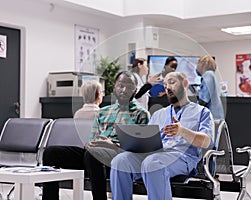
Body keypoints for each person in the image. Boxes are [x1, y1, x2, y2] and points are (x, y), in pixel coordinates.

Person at [42, 71, 150, 200]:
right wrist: (92, 143)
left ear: (135, 90)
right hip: (95, 155)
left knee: (93, 154)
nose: (124, 90)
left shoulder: (141, 114)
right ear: (114, 88)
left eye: (129, 86)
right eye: (121, 85)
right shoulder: (103, 112)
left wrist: (113, 145)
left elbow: (140, 148)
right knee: (51, 153)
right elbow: (92, 140)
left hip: (120, 156)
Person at [110, 72, 214, 200]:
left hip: (183, 157)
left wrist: (182, 131)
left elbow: (206, 142)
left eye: (171, 82)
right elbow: (147, 142)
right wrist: (130, 143)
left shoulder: (202, 112)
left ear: (185, 83)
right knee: (120, 161)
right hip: (155, 155)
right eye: (165, 85)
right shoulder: (158, 114)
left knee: (152, 163)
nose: (167, 88)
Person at [196, 55, 224, 119]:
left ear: (202, 64)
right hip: (216, 114)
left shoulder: (207, 75)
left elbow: (204, 99)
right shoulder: (211, 74)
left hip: (211, 116)